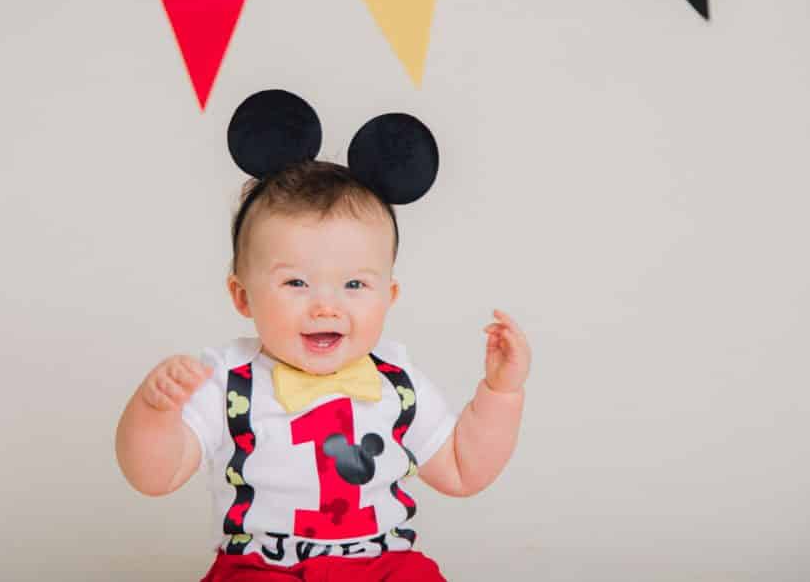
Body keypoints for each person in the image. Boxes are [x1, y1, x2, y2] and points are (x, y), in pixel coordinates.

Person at [115, 90, 532, 580]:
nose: (326, 305)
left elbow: (463, 469)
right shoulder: (228, 382)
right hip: (262, 569)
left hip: (380, 565)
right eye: (296, 282)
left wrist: (501, 393)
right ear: (243, 296)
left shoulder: (398, 383)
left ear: (389, 296)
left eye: (355, 284)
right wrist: (155, 411)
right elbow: (154, 477)